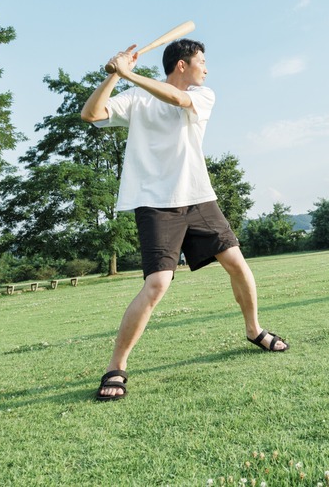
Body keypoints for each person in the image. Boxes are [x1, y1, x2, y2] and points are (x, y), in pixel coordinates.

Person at [81, 37, 289, 401]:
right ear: (182, 64)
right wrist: (115, 74)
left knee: (237, 263)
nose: (206, 68)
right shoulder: (137, 100)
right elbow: (91, 114)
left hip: (198, 198)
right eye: (201, 61)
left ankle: (253, 329)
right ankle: (116, 366)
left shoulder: (202, 96)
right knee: (157, 284)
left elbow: (176, 99)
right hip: (155, 204)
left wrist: (129, 73)